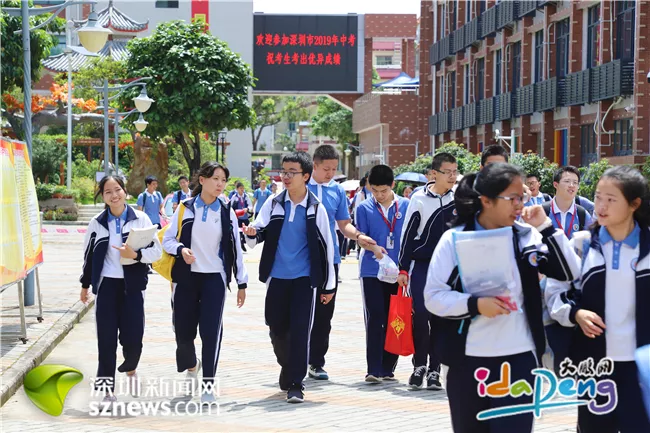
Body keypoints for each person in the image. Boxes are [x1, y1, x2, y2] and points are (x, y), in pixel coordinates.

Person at [423, 163, 581, 433]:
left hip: (519, 360)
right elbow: (433, 296)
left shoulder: (526, 237)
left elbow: (571, 273)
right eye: (513, 198)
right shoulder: (454, 239)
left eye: (522, 197)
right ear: (486, 200)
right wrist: (475, 305)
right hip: (467, 361)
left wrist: (545, 227)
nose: (520, 205)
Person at [546, 166, 650, 433]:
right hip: (594, 366)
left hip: (642, 367)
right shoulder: (581, 244)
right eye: (598, 197)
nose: (601, 206)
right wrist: (576, 314)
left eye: (611, 199)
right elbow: (555, 293)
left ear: (634, 204)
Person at [242, 151, 335, 404]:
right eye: (284, 171)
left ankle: (296, 383)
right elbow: (258, 230)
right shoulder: (274, 203)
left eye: (292, 172)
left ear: (306, 176)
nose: (286, 176)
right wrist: (251, 233)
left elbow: (327, 247)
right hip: (277, 277)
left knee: (300, 330)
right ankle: (288, 366)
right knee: (276, 329)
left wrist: (328, 286)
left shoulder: (316, 208)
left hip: (304, 280)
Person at [163, 162, 248, 404]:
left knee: (211, 333)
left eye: (224, 180)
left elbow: (236, 248)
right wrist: (181, 250)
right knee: (183, 332)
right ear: (202, 180)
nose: (220, 184)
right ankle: (192, 365)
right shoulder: (185, 207)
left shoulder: (226, 211)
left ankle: (208, 384)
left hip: (214, 279)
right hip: (186, 277)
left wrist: (241, 282)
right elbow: (168, 240)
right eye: (216, 179)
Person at [80, 176, 162, 406]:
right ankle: (107, 391)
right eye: (108, 192)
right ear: (103, 196)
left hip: (132, 286)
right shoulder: (97, 223)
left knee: (133, 338)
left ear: (125, 191)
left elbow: (157, 252)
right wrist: (85, 285)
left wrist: (136, 255)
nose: (114, 195)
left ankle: (131, 368)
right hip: (107, 286)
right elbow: (88, 256)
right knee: (106, 340)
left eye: (117, 190)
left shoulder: (141, 219)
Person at [306, 145, 377, 380]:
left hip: (329, 259)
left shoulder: (336, 190)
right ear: (314, 165)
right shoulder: (300, 186)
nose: (330, 173)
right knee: (299, 311)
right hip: (301, 258)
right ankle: (294, 358)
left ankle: (316, 362)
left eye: (334, 169)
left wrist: (359, 236)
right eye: (326, 169)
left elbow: (344, 224)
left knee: (324, 313)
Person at [397, 153, 458, 390]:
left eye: (455, 172)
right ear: (434, 174)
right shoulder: (419, 198)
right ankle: (419, 365)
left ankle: (434, 370)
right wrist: (403, 268)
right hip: (422, 266)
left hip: (449, 269)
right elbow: (408, 234)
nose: (452, 176)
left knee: (441, 318)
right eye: (447, 172)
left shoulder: (458, 199)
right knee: (421, 316)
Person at [355, 164, 410, 383]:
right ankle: (373, 369)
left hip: (397, 271)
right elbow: (361, 237)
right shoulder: (364, 208)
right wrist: (373, 247)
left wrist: (405, 268)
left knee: (393, 317)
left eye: (384, 191)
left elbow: (409, 238)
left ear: (393, 185)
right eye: (375, 191)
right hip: (372, 269)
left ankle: (388, 367)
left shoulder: (406, 206)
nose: (379, 195)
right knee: (375, 315)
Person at [544, 166, 594, 237]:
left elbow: (592, 239)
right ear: (555, 185)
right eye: (567, 181)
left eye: (575, 182)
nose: (571, 185)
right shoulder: (543, 211)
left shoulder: (582, 214)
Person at [230, 182, 253, 251]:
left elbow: (250, 205)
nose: (242, 190)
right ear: (237, 189)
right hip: (238, 217)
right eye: (240, 188)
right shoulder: (234, 197)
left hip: (245, 216)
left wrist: (247, 209)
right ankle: (241, 242)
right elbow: (230, 206)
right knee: (239, 230)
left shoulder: (246, 196)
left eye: (243, 188)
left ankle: (242, 241)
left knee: (245, 230)